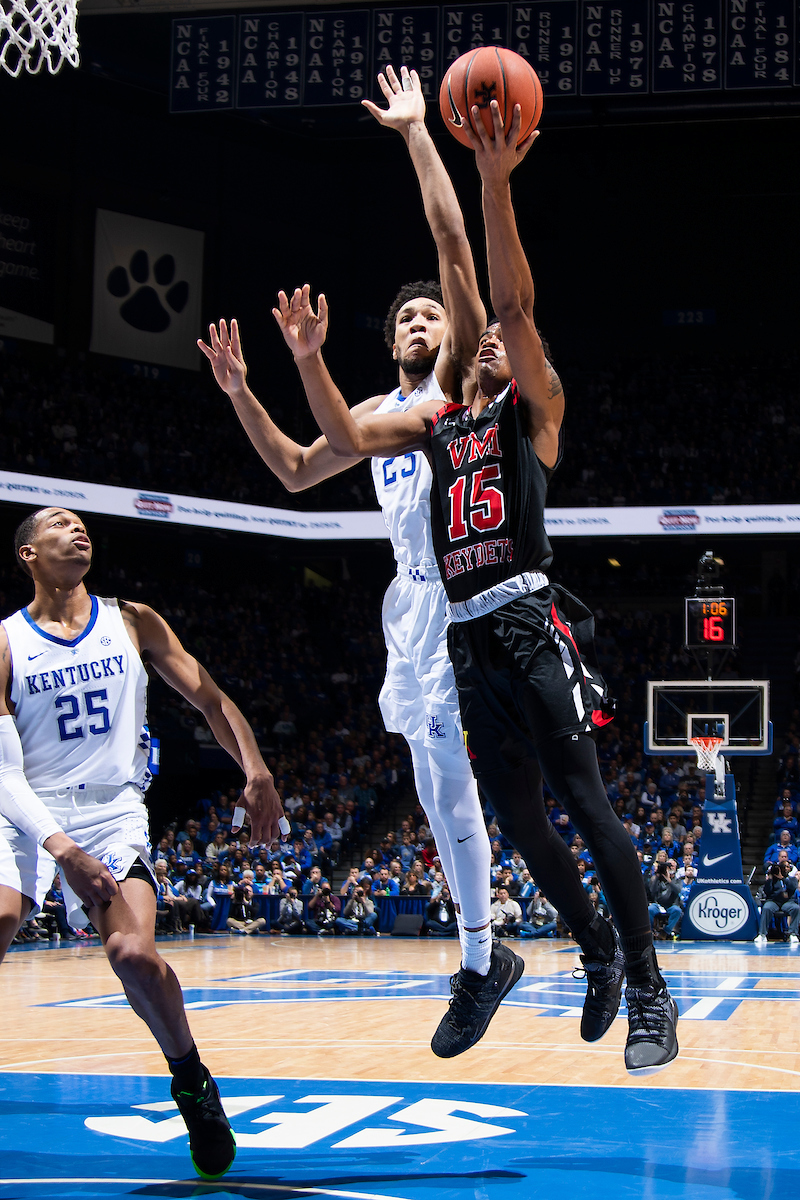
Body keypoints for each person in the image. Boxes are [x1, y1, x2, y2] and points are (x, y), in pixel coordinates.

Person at [286, 100, 678, 1073]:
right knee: (517, 825)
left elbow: (480, 276)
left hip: (527, 623)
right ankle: (587, 952)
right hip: (459, 638)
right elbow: (332, 443)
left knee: (584, 807)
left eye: (490, 338)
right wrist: (301, 360)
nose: (487, 341)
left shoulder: (531, 408)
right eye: (476, 342)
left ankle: (646, 988)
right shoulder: (434, 427)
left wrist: (476, 169)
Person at [200, 66, 515, 1056]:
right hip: (412, 607)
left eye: (433, 317)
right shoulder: (376, 412)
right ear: (386, 341)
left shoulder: (463, 383)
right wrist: (250, 384)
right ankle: (483, 952)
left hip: (478, 592)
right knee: (431, 783)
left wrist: (419, 133)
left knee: (462, 786)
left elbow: (451, 243)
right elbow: (298, 468)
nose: (424, 322)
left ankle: (490, 951)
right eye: (409, 319)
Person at [0, 507, 283, 1178]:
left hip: (113, 811)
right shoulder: (6, 642)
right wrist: (61, 849)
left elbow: (212, 700)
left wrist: (257, 770)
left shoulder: (133, 619)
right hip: (26, 811)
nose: (77, 530)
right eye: (58, 524)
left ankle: (191, 1081)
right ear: (28, 553)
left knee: (131, 953)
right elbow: (5, 772)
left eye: (81, 525)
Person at [755, 862, 800, 945]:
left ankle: (793, 933)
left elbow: (792, 887)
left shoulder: (792, 879)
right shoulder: (772, 880)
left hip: (787, 902)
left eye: (787, 867)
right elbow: (767, 891)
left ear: (790, 869)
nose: (786, 868)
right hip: (774, 901)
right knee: (766, 908)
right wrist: (770, 879)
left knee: (796, 908)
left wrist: (782, 878)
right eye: (784, 867)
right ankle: (762, 934)